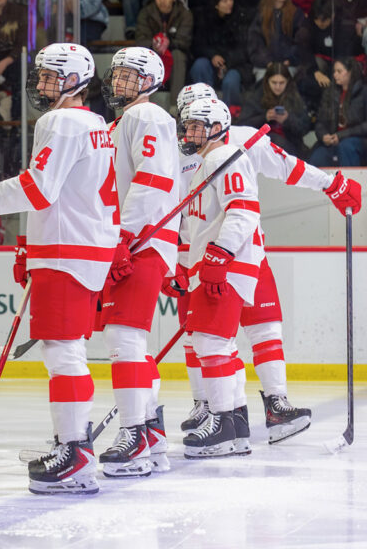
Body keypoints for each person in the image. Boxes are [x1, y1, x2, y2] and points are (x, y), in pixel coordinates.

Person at [0, 43, 118, 495]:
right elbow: (60, 192)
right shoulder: (95, 124)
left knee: (62, 351)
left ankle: (74, 451)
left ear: (75, 82)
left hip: (67, 251)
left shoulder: (61, 121)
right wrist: (28, 245)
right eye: (42, 75)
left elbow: (38, 188)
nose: (41, 84)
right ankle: (74, 440)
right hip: (83, 248)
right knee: (66, 349)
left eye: (51, 77)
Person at [173, 83, 361, 448]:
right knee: (205, 337)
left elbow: (286, 167)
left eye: (199, 117)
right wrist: (177, 259)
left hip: (240, 250)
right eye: (187, 118)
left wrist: (330, 184)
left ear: (216, 117)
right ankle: (216, 407)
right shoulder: (177, 150)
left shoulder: (239, 139)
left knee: (261, 327)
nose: (190, 127)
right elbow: (178, 213)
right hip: (197, 252)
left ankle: (273, 404)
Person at [98, 47, 180, 477]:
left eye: (130, 76)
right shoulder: (125, 121)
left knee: (123, 335)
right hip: (139, 238)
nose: (119, 83)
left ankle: (134, 433)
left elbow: (152, 179)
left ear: (149, 80)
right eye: (118, 75)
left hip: (142, 239)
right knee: (128, 340)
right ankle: (149, 431)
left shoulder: (144, 117)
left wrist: (124, 235)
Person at [172, 98, 264, 458]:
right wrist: (183, 263)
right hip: (215, 263)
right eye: (188, 125)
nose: (189, 132)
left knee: (210, 343)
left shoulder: (224, 156)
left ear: (216, 128)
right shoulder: (203, 165)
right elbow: (197, 229)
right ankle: (236, 422)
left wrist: (221, 253)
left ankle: (223, 421)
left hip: (228, 263)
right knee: (218, 344)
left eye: (196, 126)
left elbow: (243, 209)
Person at [189, 0, 252, 109]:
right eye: (225, 0)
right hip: (211, 64)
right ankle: (204, 107)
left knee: (231, 80)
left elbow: (244, 50)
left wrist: (226, 61)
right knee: (199, 65)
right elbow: (197, 45)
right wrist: (212, 56)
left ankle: (232, 114)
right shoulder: (204, 19)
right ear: (216, 4)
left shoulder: (240, 18)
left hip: (235, 65)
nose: (230, 3)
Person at [135, 0, 193, 108]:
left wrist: (170, 43)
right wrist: (153, 45)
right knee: (147, 60)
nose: (162, 0)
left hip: (176, 59)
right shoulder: (146, 13)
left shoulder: (184, 14)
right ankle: (148, 107)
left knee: (178, 56)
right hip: (153, 56)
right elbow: (140, 40)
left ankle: (175, 107)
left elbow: (185, 41)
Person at [239, 62, 309, 157]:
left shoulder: (295, 98)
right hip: (260, 146)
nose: (277, 87)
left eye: (281, 83)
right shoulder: (255, 96)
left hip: (291, 145)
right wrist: (265, 118)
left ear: (287, 81)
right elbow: (242, 125)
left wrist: (287, 120)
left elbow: (305, 127)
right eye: (274, 82)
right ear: (267, 81)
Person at [248, 0, 307, 82]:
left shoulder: (296, 13)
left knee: (285, 84)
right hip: (265, 66)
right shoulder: (261, 13)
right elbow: (256, 43)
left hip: (289, 65)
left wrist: (289, 60)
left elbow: (301, 41)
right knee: (264, 85)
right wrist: (268, 62)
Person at [311, 58, 367, 167]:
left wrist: (341, 135)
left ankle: (349, 183)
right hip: (333, 140)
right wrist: (323, 136)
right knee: (318, 156)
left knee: (346, 147)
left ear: (351, 72)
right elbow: (320, 122)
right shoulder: (330, 93)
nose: (335, 75)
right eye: (334, 71)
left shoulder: (364, 92)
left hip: (358, 140)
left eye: (339, 71)